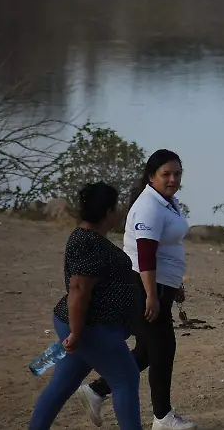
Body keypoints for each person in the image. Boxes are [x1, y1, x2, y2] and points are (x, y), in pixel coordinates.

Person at [78, 149, 196, 430]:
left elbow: (169, 248)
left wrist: (175, 284)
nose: (172, 179)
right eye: (166, 174)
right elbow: (145, 254)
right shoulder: (149, 207)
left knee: (146, 350)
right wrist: (152, 295)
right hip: (144, 286)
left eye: (177, 174)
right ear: (151, 176)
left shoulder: (167, 201)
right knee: (163, 349)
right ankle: (163, 417)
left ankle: (96, 391)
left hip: (161, 285)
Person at [29, 182, 143, 430]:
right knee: (126, 379)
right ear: (108, 211)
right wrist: (77, 334)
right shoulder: (88, 242)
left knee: (62, 385)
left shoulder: (90, 238)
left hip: (88, 328)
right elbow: (78, 290)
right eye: (116, 206)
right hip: (93, 329)